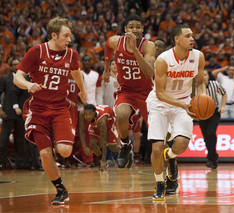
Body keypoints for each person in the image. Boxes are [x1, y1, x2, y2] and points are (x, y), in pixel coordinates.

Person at [13, 17, 87, 205]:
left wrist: (83, 91)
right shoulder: (36, 51)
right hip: (37, 109)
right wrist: (28, 84)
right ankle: (61, 189)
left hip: (61, 108)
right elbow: (17, 78)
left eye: (70, 36)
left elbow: (76, 72)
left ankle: (57, 140)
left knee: (63, 152)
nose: (69, 39)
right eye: (66, 36)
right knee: (45, 154)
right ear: (54, 35)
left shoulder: (72, 55)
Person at [147, 25, 206, 200]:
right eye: (187, 36)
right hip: (160, 103)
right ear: (176, 39)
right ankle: (159, 183)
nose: (192, 39)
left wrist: (201, 100)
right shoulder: (163, 60)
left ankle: (171, 156)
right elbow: (160, 93)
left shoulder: (198, 57)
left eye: (192, 36)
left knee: (181, 144)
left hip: (184, 102)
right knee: (157, 148)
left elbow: (200, 83)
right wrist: (183, 106)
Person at [102, 14, 155, 169]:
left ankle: (170, 163)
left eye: (138, 27)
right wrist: (106, 70)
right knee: (121, 114)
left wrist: (135, 50)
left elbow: (149, 73)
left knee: (156, 132)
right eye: (131, 27)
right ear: (125, 29)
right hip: (126, 90)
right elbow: (107, 46)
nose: (135, 29)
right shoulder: (116, 41)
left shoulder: (148, 46)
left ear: (142, 29)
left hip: (146, 92)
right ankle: (125, 145)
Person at [0, 59, 27, 170]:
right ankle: (1, 162)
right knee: (4, 138)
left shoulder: (25, 79)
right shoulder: (5, 78)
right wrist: (0, 110)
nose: (16, 66)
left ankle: (20, 163)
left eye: (18, 64)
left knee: (20, 139)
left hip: (21, 113)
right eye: (14, 65)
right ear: (11, 67)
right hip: (7, 112)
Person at [198, 69, 227, 169]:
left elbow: (224, 93)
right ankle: (213, 156)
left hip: (214, 112)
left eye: (205, 75)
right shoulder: (195, 86)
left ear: (208, 76)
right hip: (201, 114)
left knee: (210, 133)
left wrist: (222, 106)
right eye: (202, 75)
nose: (204, 77)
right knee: (206, 136)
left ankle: (211, 158)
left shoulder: (214, 84)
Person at [79, 104, 120, 171]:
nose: (88, 116)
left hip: (110, 123)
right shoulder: (82, 114)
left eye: (90, 114)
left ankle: (126, 151)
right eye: (86, 114)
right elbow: (81, 129)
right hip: (96, 122)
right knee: (92, 144)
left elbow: (104, 141)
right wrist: (84, 146)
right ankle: (101, 159)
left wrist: (103, 162)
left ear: (94, 113)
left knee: (112, 147)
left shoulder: (101, 121)